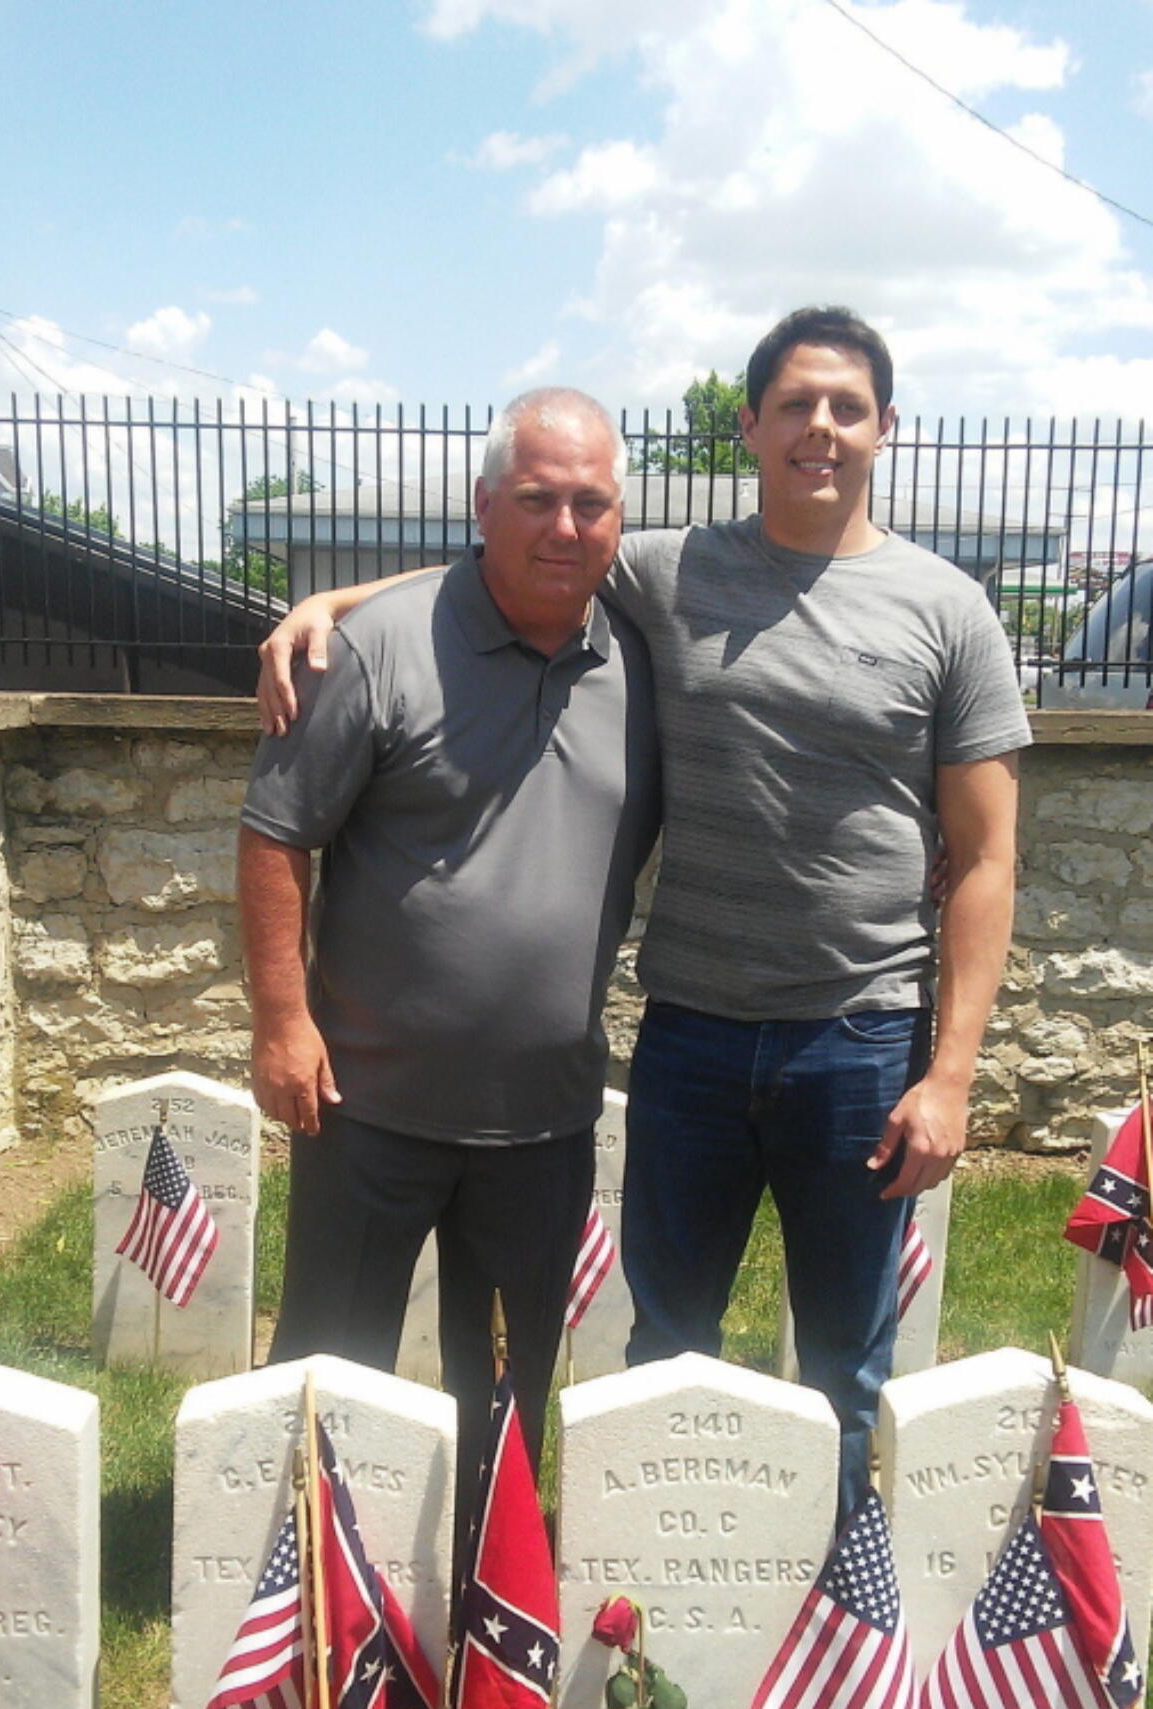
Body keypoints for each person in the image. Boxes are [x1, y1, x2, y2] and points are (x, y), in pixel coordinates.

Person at [255, 307, 1030, 1517]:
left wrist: (950, 1072)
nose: (818, 429)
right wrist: (338, 604)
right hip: (694, 1038)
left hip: (857, 1039)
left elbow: (985, 859)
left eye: (845, 407)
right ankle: (649, 1593)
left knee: (842, 1359)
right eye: (794, 405)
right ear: (750, 425)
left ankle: (822, 1605)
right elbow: (523, 548)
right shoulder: (674, 570)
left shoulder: (950, 612)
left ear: (887, 428)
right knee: (663, 1345)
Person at [239, 389, 660, 1552]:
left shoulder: (644, 661)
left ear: (620, 520)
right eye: (533, 500)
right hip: (367, 1106)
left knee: (510, 1391)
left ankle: (487, 1588)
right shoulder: (373, 647)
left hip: (541, 1121)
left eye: (589, 504)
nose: (562, 527)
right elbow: (276, 834)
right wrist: (281, 1020)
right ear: (483, 507)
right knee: (331, 1365)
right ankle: (313, 1588)